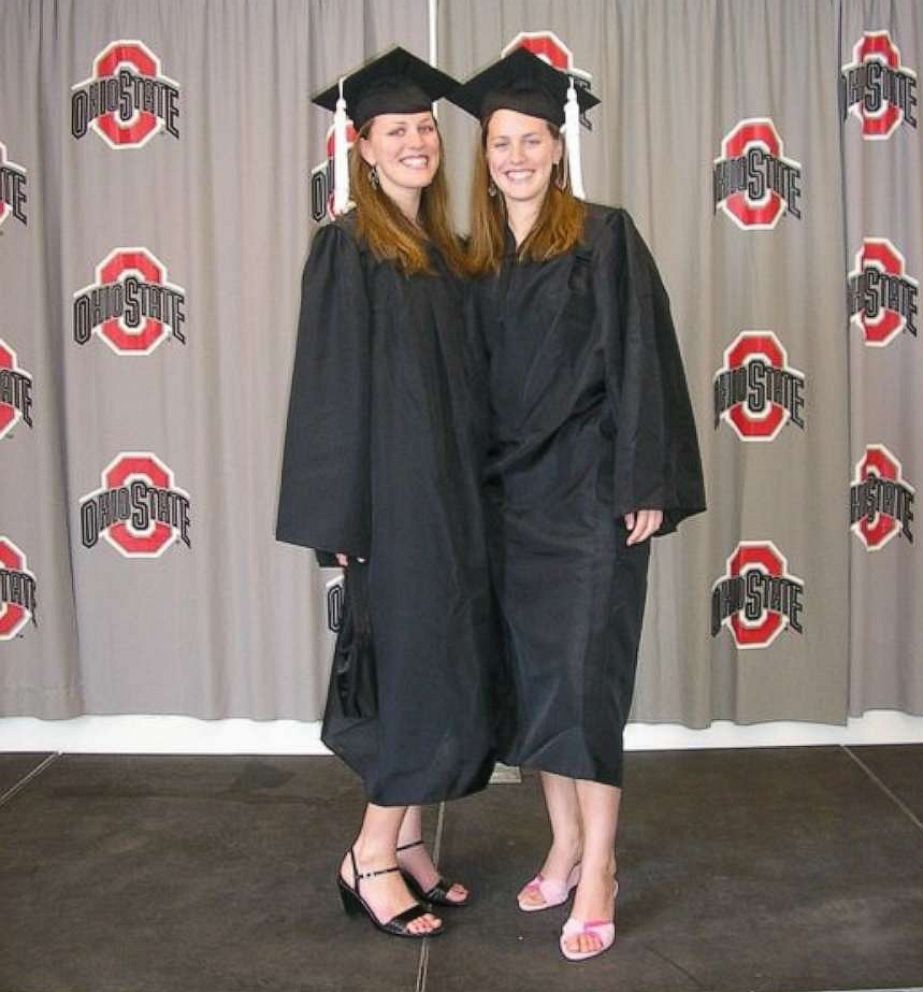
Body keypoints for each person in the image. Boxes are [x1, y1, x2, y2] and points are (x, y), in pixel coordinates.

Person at [450, 47, 706, 961]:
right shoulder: (471, 259)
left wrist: (645, 485)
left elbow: (643, 362)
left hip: (590, 501)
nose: (513, 156)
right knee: (533, 689)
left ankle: (597, 867)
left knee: (585, 688)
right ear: (484, 156)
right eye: (498, 143)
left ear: (558, 148)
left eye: (530, 139)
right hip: (505, 507)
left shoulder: (602, 236)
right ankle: (559, 842)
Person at [276, 47, 500, 939]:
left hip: (455, 502)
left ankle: (406, 844)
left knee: (450, 668)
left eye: (424, 128)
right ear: (359, 147)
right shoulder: (348, 249)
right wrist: (340, 519)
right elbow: (327, 390)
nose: (415, 141)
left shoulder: (446, 254)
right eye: (394, 131)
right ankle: (368, 854)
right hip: (396, 508)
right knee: (413, 676)